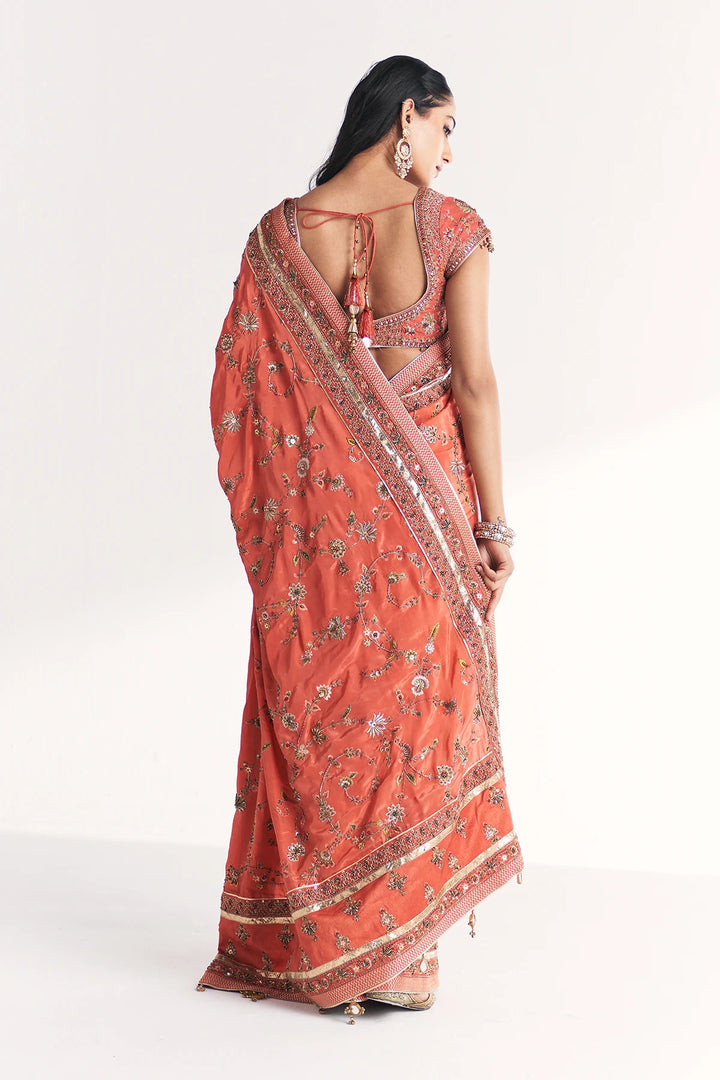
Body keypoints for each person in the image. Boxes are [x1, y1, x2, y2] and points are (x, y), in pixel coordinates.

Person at [196, 55, 523, 1021]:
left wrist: (291, 532)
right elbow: (473, 386)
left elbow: (238, 398)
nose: (451, 152)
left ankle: (326, 945)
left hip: (320, 550)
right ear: (405, 119)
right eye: (447, 127)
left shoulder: (275, 242)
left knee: (335, 713)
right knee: (413, 721)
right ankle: (400, 955)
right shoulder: (450, 231)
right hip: (429, 530)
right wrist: (494, 525)